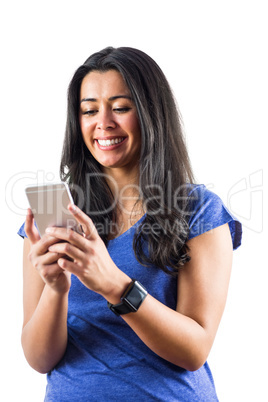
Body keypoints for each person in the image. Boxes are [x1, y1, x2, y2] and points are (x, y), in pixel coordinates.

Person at [18, 47, 242, 401]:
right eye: (89, 110)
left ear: (152, 115)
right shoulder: (54, 212)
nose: (103, 123)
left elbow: (194, 350)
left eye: (121, 108)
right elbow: (39, 358)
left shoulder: (199, 211)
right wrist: (57, 290)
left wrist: (114, 286)